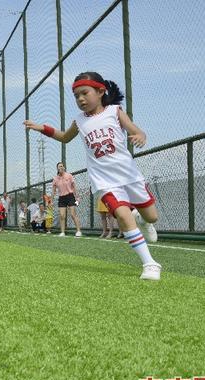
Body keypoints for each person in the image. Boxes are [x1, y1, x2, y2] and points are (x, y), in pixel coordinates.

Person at [24, 71, 160, 280]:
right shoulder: (79, 121)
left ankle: (143, 220)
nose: (80, 99)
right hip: (104, 181)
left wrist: (140, 135)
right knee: (122, 215)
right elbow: (64, 137)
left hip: (130, 175)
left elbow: (136, 130)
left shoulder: (115, 111)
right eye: (76, 95)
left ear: (100, 91)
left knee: (152, 216)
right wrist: (42, 127)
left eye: (84, 93)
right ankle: (149, 264)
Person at [51, 162, 82, 237]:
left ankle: (78, 231)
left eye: (62, 166)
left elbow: (74, 187)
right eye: (59, 166)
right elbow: (53, 191)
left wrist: (77, 197)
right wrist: (51, 201)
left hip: (70, 196)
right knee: (62, 215)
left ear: (64, 167)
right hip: (61, 198)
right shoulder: (55, 179)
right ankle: (62, 232)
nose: (61, 167)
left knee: (73, 214)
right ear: (57, 168)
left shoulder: (69, 176)